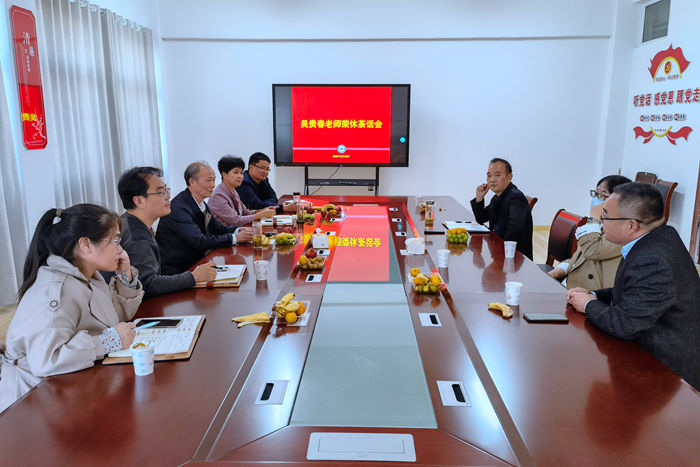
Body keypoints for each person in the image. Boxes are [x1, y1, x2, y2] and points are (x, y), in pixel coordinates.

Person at [0, 204, 144, 412]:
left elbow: (112, 319)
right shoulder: (56, 290)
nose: (120, 249)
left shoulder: (88, 276)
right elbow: (48, 359)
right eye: (115, 241)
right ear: (86, 244)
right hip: (32, 399)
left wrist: (125, 276)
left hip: (63, 386)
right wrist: (108, 341)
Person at [567, 182, 700, 390]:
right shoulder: (658, 236)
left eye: (605, 215)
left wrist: (588, 305)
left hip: (666, 369)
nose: (601, 220)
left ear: (631, 225)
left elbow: (624, 324)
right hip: (649, 346)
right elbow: (637, 292)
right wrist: (595, 295)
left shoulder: (652, 258)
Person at [116, 167, 217, 299]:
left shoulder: (131, 222)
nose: (168, 196)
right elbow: (148, 284)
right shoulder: (137, 236)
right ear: (139, 201)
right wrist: (193, 277)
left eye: (166, 190)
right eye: (161, 192)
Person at [156, 162, 253, 275]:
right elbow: (199, 241)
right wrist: (235, 238)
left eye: (214, 180)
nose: (213, 185)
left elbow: (217, 228)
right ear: (192, 181)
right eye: (209, 180)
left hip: (198, 264)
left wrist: (238, 230)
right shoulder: (179, 208)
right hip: (178, 272)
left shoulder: (200, 203)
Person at [548, 175, 631, 290]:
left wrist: (594, 219)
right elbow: (577, 258)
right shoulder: (599, 225)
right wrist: (558, 271)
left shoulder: (624, 232)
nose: (597, 199)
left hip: (589, 293)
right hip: (570, 282)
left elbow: (592, 251)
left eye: (603, 195)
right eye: (596, 193)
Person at [470, 158, 533, 259]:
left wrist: (493, 249)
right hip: (500, 252)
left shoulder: (516, 198)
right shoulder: (498, 197)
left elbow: (514, 232)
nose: (492, 180)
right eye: (489, 176)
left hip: (515, 259)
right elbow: (481, 218)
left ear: (509, 177)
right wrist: (479, 197)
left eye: (497, 175)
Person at [209, 155, 276, 227]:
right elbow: (236, 221)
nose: (240, 176)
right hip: (227, 233)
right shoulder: (218, 196)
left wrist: (263, 210)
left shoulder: (233, 191)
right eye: (236, 172)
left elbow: (246, 212)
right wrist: (259, 215)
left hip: (239, 230)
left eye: (241, 173)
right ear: (224, 174)